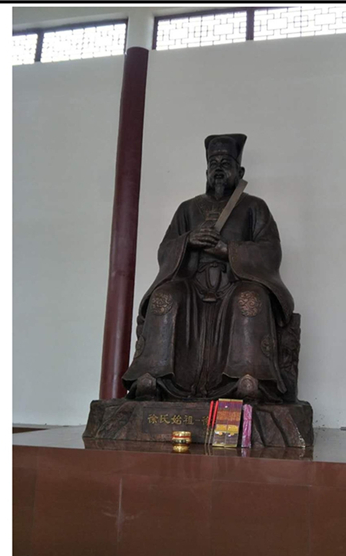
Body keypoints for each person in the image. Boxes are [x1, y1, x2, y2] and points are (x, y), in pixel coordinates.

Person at [122, 134, 297, 403]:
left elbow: (271, 252)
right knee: (164, 296)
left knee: (250, 298)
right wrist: (188, 241)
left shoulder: (254, 207)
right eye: (213, 163)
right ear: (206, 171)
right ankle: (154, 376)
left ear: (240, 172)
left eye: (226, 163)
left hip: (234, 282)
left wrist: (229, 251)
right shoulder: (188, 209)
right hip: (193, 284)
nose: (218, 169)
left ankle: (248, 377)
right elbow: (165, 250)